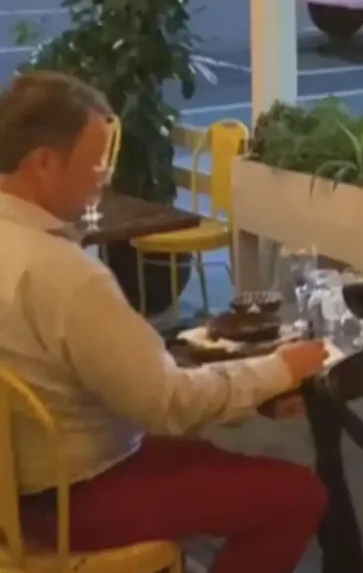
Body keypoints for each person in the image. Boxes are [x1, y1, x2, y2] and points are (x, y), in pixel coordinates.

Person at [0, 71, 328, 573]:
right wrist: (281, 369)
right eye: (95, 162)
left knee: (199, 449)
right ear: (44, 163)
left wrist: (243, 389)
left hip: (17, 484)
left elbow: (125, 383)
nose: (104, 177)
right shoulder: (64, 275)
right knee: (297, 494)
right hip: (67, 499)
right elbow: (167, 403)